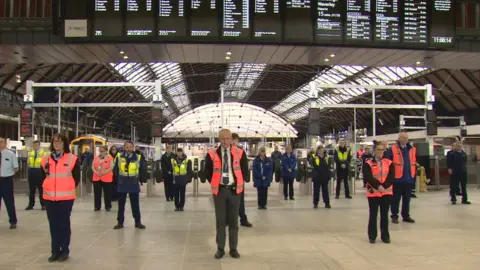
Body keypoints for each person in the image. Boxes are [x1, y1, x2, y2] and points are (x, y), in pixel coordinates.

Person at [205, 129, 248, 259]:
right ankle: (220, 249)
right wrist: (215, 182)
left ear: (231, 139)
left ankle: (233, 249)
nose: (225, 141)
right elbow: (207, 171)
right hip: (219, 191)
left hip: (235, 191)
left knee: (234, 221)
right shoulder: (212, 153)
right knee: (220, 221)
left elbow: (245, 169)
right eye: (222, 139)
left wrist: (239, 183)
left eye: (227, 138)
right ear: (219, 139)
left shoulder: (240, 152)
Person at [40, 134, 80, 262]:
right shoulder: (45, 159)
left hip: (66, 198)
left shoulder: (72, 159)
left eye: (60, 142)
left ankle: (65, 250)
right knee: (53, 225)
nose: (57, 144)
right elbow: (43, 177)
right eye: (55, 142)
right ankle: (55, 251)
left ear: (64, 143)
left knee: (64, 224)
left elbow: (76, 178)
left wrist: (67, 187)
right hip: (49, 198)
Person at [364, 140, 395, 244]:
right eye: (379, 150)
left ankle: (385, 236)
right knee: (373, 214)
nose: (381, 152)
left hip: (386, 192)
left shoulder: (389, 163)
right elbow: (368, 177)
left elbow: (391, 177)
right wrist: (378, 186)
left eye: (382, 150)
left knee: (384, 215)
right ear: (374, 151)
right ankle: (372, 236)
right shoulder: (368, 163)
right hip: (373, 193)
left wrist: (384, 186)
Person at [113, 141, 147, 230]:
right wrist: (118, 179)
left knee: (135, 204)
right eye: (127, 147)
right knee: (121, 205)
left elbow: (143, 169)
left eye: (130, 147)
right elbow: (115, 169)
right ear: (124, 148)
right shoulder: (119, 156)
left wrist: (139, 179)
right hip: (122, 183)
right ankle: (120, 222)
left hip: (133, 183)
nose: (129, 148)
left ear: (133, 148)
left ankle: (137, 222)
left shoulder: (138, 157)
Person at [385, 132, 416, 224]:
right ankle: (394, 215)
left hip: (408, 179)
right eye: (403, 137)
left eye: (406, 137)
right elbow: (388, 163)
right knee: (395, 199)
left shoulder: (412, 149)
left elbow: (413, 162)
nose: (405, 139)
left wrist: (413, 177)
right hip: (397, 179)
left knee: (407, 199)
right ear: (399, 138)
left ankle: (406, 215)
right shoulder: (393, 149)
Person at [231, 133, 252, 227]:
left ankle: (243, 219)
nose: (235, 142)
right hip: (228, 181)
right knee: (228, 201)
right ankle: (229, 220)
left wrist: (242, 178)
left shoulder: (240, 151)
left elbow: (244, 167)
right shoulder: (224, 151)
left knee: (240, 201)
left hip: (238, 181)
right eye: (233, 139)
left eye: (236, 140)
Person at [0, 136, 19, 229]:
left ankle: (13, 221)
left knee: (9, 202)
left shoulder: (10, 154)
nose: (0, 144)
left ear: (5, 143)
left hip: (6, 180)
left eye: (1, 142)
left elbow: (16, 168)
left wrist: (9, 175)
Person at [92, 145, 114, 211]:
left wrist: (103, 173)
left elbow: (111, 167)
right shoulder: (95, 158)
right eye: (100, 151)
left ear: (106, 151)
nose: (101, 152)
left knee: (107, 193)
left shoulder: (110, 158)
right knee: (97, 193)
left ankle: (108, 206)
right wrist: (96, 172)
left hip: (107, 178)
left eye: (103, 151)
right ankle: (97, 206)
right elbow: (92, 166)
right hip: (96, 178)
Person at [26, 140, 46, 210]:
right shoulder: (30, 153)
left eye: (36, 145)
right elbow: (28, 163)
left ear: (39, 146)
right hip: (31, 172)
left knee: (41, 190)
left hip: (39, 172)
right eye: (34, 145)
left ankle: (43, 205)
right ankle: (31, 205)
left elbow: (45, 164)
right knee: (31, 190)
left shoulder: (43, 153)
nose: (35, 147)